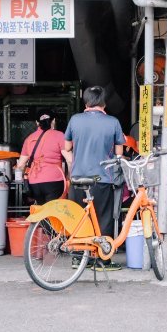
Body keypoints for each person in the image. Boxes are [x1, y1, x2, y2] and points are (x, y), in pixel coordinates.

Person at [64, 86, 125, 271]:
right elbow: (119, 153)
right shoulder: (112, 122)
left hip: (78, 179)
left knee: (78, 218)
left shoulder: (75, 120)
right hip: (102, 179)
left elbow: (67, 147)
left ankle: (77, 257)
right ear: (104, 102)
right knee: (103, 219)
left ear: (86, 101)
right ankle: (102, 260)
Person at [16, 110, 71, 205]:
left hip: (34, 183)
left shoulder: (29, 138)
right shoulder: (59, 135)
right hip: (54, 181)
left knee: (42, 210)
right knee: (52, 212)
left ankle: (41, 220)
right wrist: (69, 177)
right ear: (53, 121)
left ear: (37, 123)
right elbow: (70, 160)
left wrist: (22, 177)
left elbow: (20, 165)